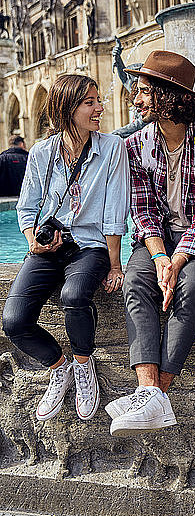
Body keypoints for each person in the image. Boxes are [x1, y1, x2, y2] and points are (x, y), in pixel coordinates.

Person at [105, 50, 195, 437]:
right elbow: (143, 210)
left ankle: (154, 398)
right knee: (136, 279)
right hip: (159, 239)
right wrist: (161, 257)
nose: (136, 99)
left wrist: (178, 261)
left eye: (145, 91)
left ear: (170, 96)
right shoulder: (135, 147)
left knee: (193, 284)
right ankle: (150, 394)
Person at [2, 74, 129, 422]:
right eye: (90, 102)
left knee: (73, 297)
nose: (100, 108)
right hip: (49, 248)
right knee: (13, 322)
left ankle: (84, 364)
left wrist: (115, 266)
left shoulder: (112, 148)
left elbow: (116, 210)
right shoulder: (42, 152)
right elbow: (26, 207)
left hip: (91, 247)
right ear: (68, 108)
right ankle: (61, 366)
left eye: (98, 100)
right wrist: (34, 243)